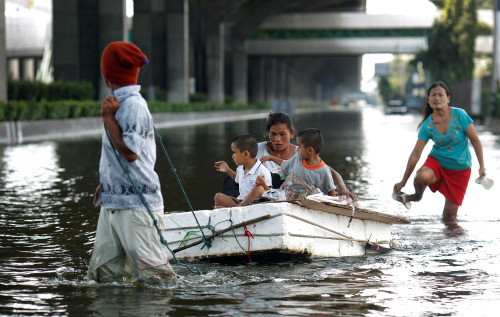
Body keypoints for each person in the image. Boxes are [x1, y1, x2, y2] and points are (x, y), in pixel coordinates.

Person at [87, 42, 175, 283]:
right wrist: (106, 182)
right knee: (105, 276)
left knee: (156, 280)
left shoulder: (133, 106)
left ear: (107, 73)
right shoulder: (118, 102)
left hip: (138, 205)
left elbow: (131, 153)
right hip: (114, 201)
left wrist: (107, 118)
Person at [393, 81, 486, 223]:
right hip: (437, 163)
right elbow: (415, 154)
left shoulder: (460, 115)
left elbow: (475, 141)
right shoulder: (427, 125)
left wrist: (482, 167)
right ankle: (416, 197)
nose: (437, 98)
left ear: (448, 98)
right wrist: (403, 181)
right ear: (428, 100)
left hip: (460, 170)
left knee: (449, 218)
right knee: (421, 177)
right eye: (433, 95)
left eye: (441, 95)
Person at [221, 112, 357, 200]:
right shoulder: (258, 149)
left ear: (291, 133)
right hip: (258, 191)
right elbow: (242, 173)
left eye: (282, 134)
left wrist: (342, 188)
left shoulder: (302, 153)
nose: (277, 139)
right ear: (268, 133)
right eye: (273, 134)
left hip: (287, 192)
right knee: (229, 180)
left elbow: (327, 171)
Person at [258, 128, 335, 197]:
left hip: (304, 202)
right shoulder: (297, 159)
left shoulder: (324, 171)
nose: (297, 149)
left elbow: (330, 190)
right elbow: (285, 164)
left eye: (300, 147)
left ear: (310, 150)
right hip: (283, 195)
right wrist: (271, 158)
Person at [214, 133, 272, 208]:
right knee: (218, 197)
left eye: (234, 152)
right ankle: (238, 208)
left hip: (256, 202)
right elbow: (238, 179)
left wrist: (263, 183)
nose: (232, 156)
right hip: (241, 201)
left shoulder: (262, 170)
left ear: (245, 154)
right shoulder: (240, 168)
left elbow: (269, 192)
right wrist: (227, 170)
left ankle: (237, 208)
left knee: (259, 189)